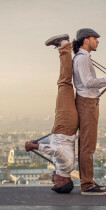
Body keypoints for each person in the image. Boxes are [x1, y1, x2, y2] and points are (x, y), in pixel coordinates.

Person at [25, 34, 79, 194]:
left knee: (65, 85)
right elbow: (56, 150)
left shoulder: (63, 167)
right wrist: (36, 146)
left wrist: (38, 141)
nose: (52, 180)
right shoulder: (65, 166)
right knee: (64, 84)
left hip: (64, 127)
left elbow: (56, 144)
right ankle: (64, 46)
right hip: (65, 125)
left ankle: (65, 49)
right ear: (63, 181)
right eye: (55, 183)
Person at [72, 28, 106, 195]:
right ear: (86, 40)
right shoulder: (83, 59)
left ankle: (87, 181)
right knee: (87, 145)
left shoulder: (82, 58)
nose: (97, 41)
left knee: (86, 145)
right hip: (87, 104)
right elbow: (88, 81)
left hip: (87, 103)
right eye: (95, 38)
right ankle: (86, 185)